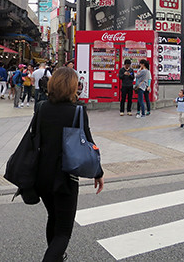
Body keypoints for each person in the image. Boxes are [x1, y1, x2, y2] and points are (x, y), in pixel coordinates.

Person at [33, 67, 104, 261]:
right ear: (73, 86)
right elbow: (89, 144)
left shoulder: (42, 107)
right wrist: (98, 172)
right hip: (65, 176)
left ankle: (56, 258)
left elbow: (34, 139)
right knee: (64, 231)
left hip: (42, 175)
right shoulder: (78, 111)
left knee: (53, 218)